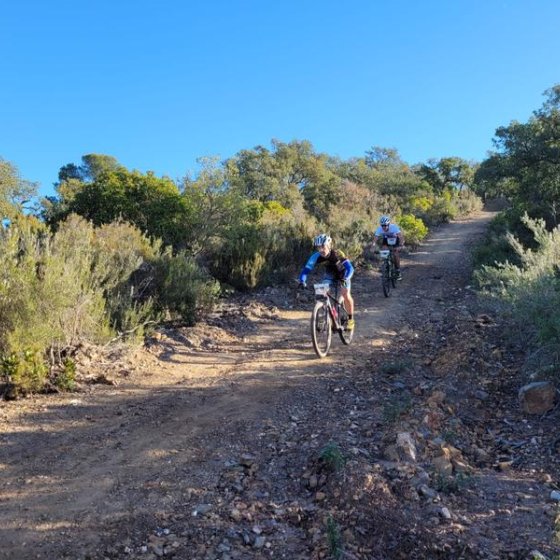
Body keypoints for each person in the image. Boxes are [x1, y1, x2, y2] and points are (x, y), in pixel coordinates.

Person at [298, 234, 355, 330]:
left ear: (329, 245)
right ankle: (324, 316)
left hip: (343, 274)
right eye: (318, 247)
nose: (321, 250)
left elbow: (350, 268)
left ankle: (350, 320)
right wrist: (302, 281)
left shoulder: (337, 253)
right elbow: (306, 270)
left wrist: (345, 279)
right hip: (330, 275)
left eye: (323, 247)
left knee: (345, 294)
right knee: (321, 294)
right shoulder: (315, 257)